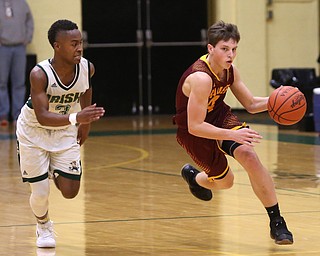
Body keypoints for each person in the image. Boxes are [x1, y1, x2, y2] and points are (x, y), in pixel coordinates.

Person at [173, 20, 293, 245]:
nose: (230, 55)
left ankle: (277, 223)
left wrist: (280, 99)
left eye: (234, 49)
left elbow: (250, 103)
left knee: (249, 155)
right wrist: (232, 135)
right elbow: (195, 126)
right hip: (195, 132)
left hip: (220, 118)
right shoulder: (201, 78)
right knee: (226, 182)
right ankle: (195, 178)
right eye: (224, 49)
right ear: (211, 49)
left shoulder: (230, 71)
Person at [16, 19, 105, 248]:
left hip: (64, 129)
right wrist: (78, 118)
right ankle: (43, 225)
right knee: (41, 191)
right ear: (57, 46)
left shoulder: (87, 67)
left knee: (70, 191)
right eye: (73, 43)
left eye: (80, 42)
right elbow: (43, 116)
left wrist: (85, 125)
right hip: (33, 131)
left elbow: (86, 88)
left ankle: (54, 168)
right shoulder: (39, 74)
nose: (79, 48)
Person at [0, 0, 34, 126]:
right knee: (1, 82)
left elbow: (29, 21)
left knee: (19, 83)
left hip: (20, 47)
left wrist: (27, 37)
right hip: (2, 47)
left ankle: (18, 115)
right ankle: (3, 115)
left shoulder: (22, 3)